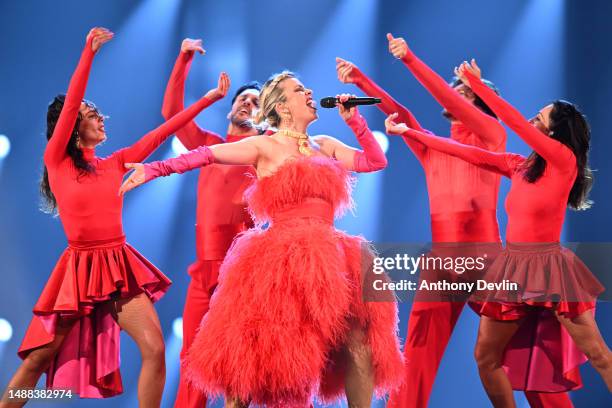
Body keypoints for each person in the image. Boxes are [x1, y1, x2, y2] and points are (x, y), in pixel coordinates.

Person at [119, 72, 403, 407]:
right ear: (282, 106)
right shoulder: (263, 145)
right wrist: (155, 170)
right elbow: (204, 155)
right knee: (253, 358)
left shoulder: (324, 144)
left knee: (358, 339)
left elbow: (375, 160)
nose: (310, 92)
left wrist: (356, 122)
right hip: (282, 259)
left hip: (333, 257)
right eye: (300, 90)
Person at [337, 33, 573, 408]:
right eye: (456, 87)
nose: (454, 92)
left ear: (481, 102)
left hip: (489, 262)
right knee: (415, 357)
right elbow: (398, 113)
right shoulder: (430, 146)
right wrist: (361, 81)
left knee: (526, 351)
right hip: (443, 263)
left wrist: (411, 59)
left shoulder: (493, 135)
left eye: (463, 89)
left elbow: (447, 102)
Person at [0, 27, 229, 408]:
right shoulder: (56, 161)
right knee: (38, 360)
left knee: (155, 349)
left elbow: (158, 136)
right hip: (77, 272)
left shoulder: (115, 163)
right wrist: (88, 53)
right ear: (74, 131)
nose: (101, 118)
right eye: (92, 116)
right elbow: (71, 104)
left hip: (118, 265)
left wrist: (207, 99)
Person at [385, 59, 610, 407]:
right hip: (513, 271)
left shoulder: (564, 159)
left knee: (598, 355)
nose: (535, 117)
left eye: (542, 116)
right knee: (486, 358)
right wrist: (410, 134)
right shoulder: (521, 166)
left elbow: (516, 123)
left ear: (556, 129)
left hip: (549, 270)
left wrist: (477, 85)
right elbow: (468, 153)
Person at [161, 38, 263, 408]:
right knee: (193, 362)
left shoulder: (266, 156)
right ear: (230, 108)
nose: (248, 105)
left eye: (256, 103)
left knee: (239, 368)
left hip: (242, 274)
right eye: (243, 100)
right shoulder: (208, 145)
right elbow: (171, 111)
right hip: (204, 272)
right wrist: (184, 57)